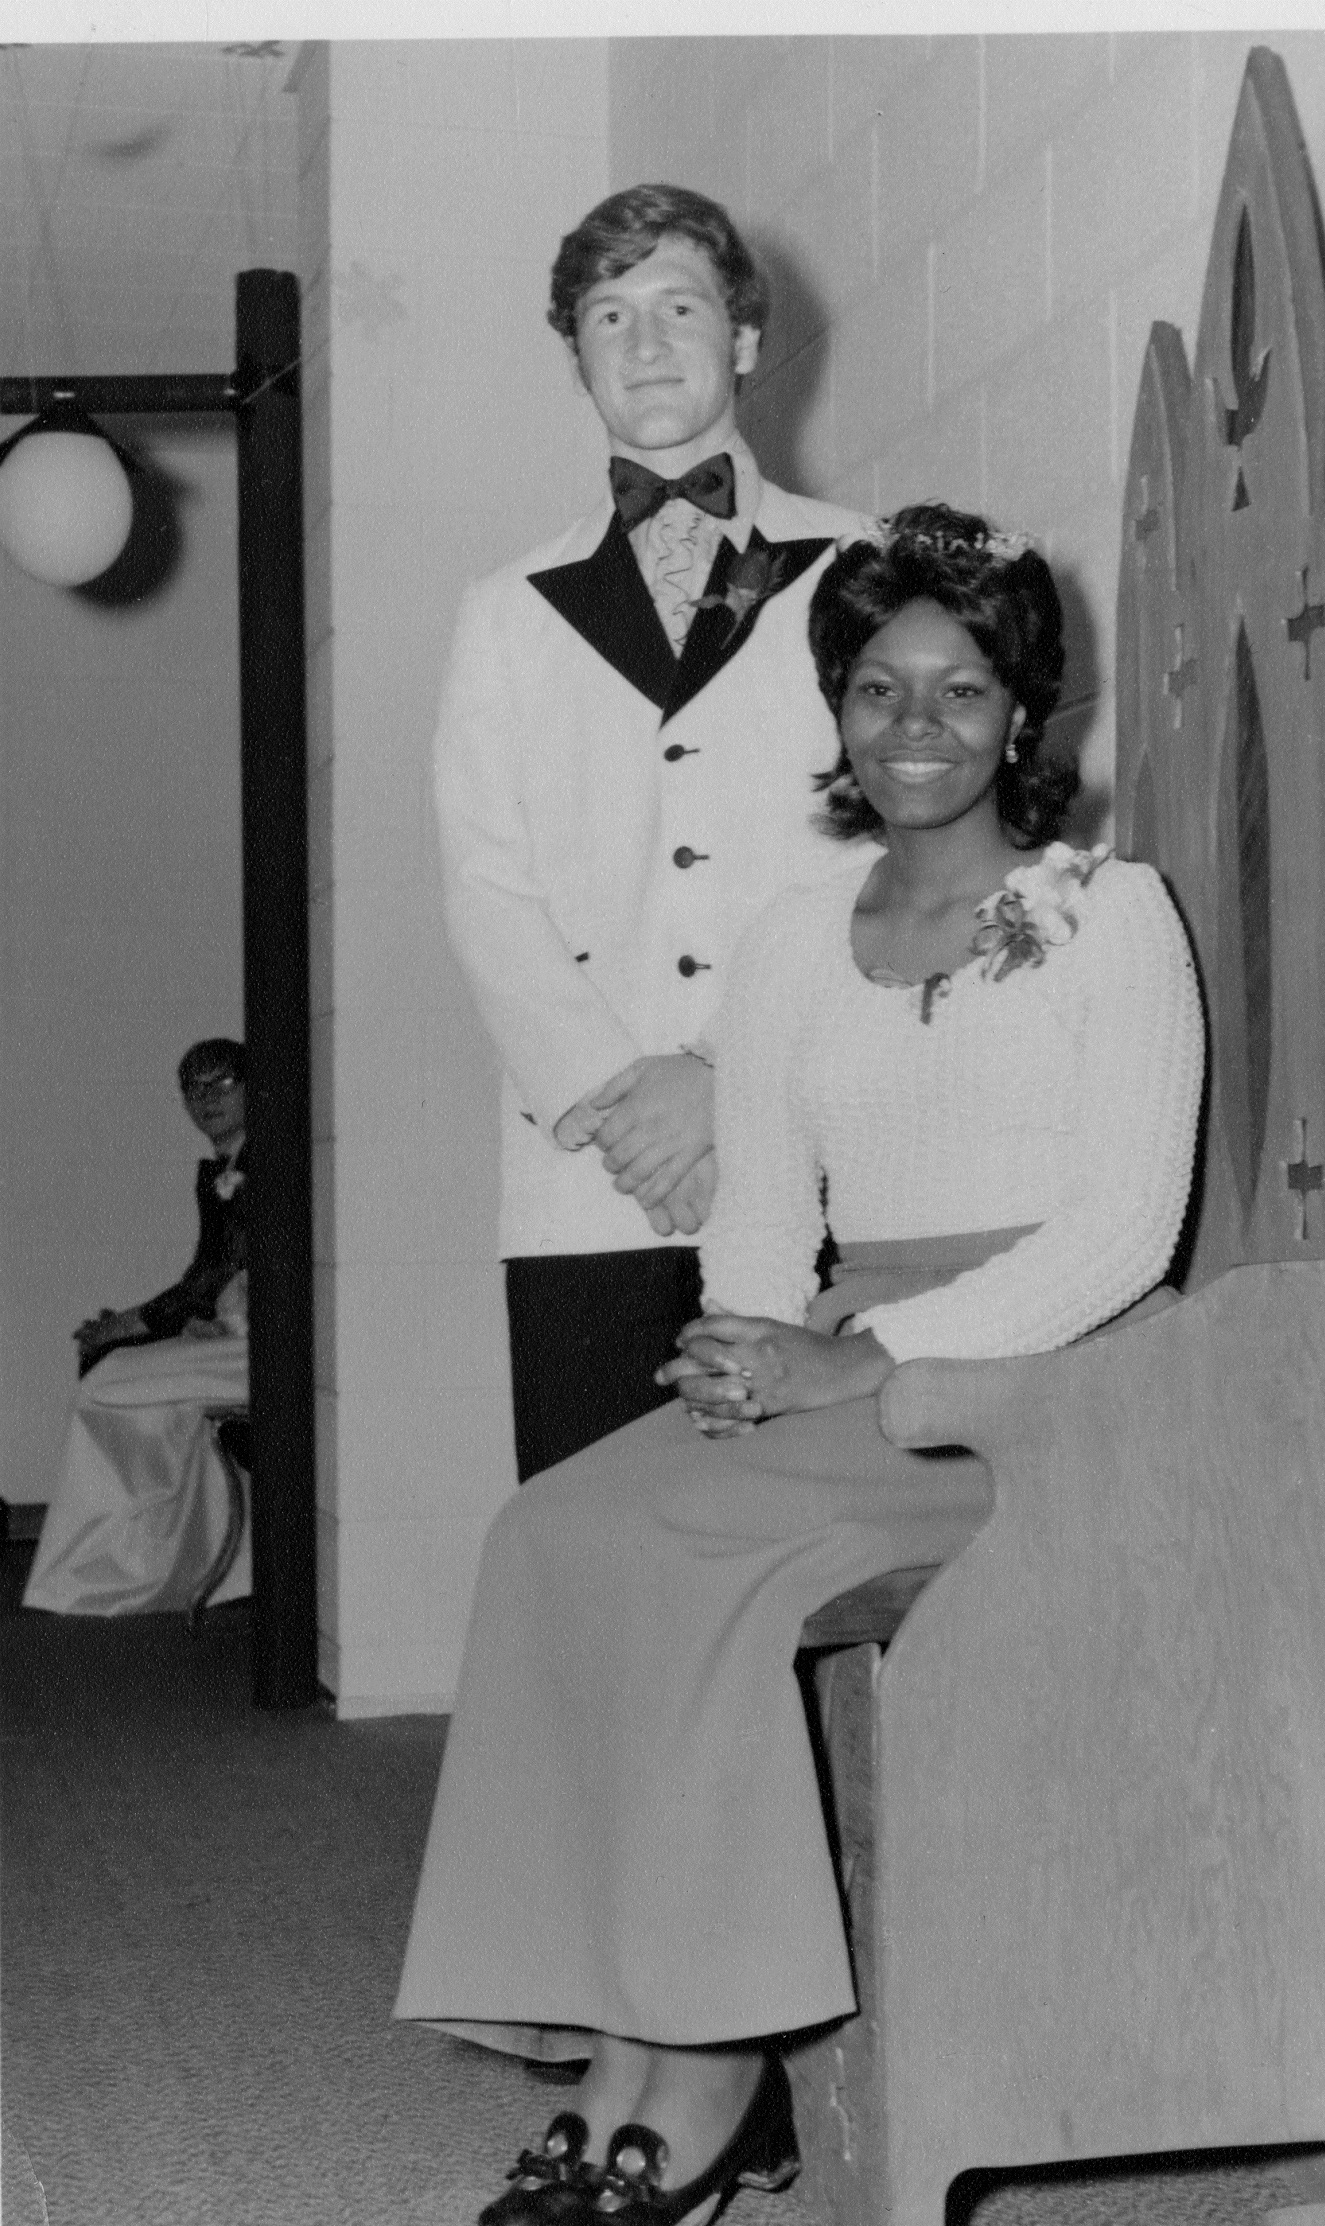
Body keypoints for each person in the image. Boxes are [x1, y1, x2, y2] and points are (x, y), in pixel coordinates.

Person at [395, 507, 1206, 2226]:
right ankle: (621, 2028)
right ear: (836, 712)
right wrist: (747, 1342)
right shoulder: (784, 940)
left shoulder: (1107, 914)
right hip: (855, 1358)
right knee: (556, 1527)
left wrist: (861, 1354)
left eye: (961, 687)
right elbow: (763, 1218)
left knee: (701, 1556)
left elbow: (1126, 1238)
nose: (917, 721)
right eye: (878, 686)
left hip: (1043, 1384)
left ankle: (705, 2057)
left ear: (1022, 717)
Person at [434, 182, 872, 1485]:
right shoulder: (503, 612)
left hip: (817, 1147)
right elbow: (486, 891)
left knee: (816, 1546)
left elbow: (882, 862)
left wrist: (724, 1075)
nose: (643, 342)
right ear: (578, 358)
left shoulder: (868, 570)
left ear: (741, 337)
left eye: (678, 305)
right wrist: (631, 1105)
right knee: (596, 1550)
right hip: (593, 1177)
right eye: (608, 316)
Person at [23, 1039, 251, 1617]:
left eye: (222, 1083)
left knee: (108, 1383)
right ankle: (161, 1566)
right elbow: (207, 1278)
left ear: (253, 1087)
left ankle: (108, 1573)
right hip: (230, 1337)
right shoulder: (225, 1168)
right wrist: (137, 1327)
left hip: (261, 1350)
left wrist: (129, 1325)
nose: (206, 1099)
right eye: (192, 1089)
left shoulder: (261, 1164)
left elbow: (214, 1278)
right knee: (117, 1369)